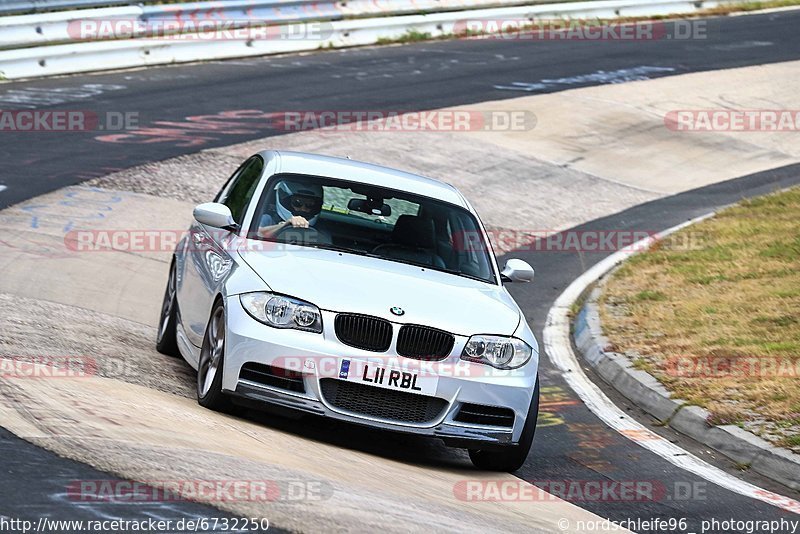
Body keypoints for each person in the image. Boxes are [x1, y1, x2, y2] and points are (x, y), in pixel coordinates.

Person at [258, 180, 331, 244]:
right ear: (286, 201)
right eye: (297, 203)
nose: (303, 209)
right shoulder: (268, 219)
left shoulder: (321, 231)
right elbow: (256, 234)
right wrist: (284, 225)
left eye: (310, 204)